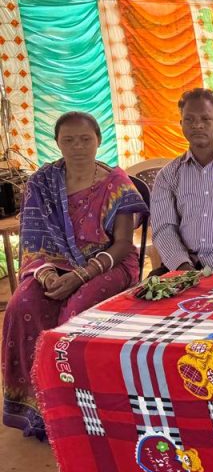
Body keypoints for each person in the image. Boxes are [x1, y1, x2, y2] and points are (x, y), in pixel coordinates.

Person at [2, 112, 148, 440]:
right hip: (53, 265)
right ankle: (38, 409)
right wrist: (45, 275)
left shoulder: (116, 185)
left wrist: (82, 275)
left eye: (85, 139)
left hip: (108, 263)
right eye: (68, 140)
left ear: (98, 141)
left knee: (75, 312)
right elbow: (33, 241)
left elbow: (123, 245)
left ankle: (81, 410)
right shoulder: (42, 183)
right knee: (22, 305)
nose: (78, 146)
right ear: (57, 143)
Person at [151, 88, 213, 274]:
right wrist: (182, 267)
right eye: (189, 119)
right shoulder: (168, 175)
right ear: (181, 124)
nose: (197, 125)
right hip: (188, 264)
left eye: (206, 119)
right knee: (151, 283)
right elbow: (164, 228)